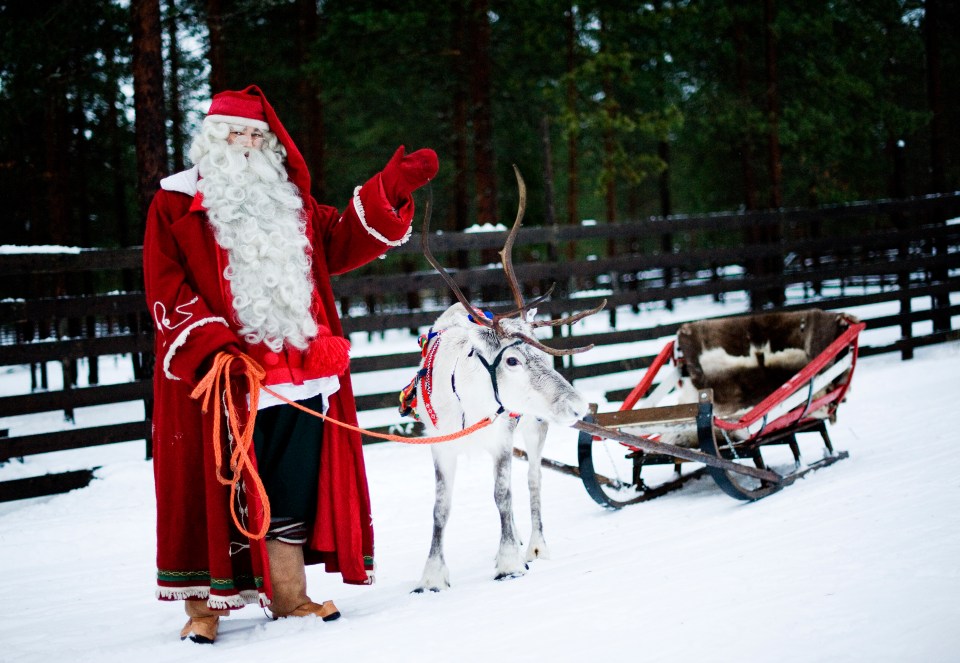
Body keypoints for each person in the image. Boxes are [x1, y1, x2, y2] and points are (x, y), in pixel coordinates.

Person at [143, 84, 438, 643]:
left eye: (258, 134)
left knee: (292, 485)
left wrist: (389, 190)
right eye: (237, 133)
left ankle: (288, 594)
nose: (248, 144)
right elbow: (165, 283)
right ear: (212, 139)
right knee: (217, 486)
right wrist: (212, 350)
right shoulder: (173, 205)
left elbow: (344, 241)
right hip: (225, 378)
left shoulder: (291, 202)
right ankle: (205, 608)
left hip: (303, 373)